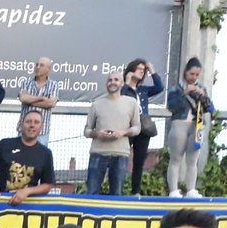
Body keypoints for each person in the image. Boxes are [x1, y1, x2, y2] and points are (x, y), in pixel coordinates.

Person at [84, 72, 140, 196]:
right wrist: (98, 134)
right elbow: (87, 131)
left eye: (116, 80)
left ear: (121, 83)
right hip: (98, 153)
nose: (112, 82)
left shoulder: (131, 103)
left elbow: (137, 128)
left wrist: (122, 133)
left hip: (120, 154)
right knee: (91, 193)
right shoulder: (97, 104)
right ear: (106, 83)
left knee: (117, 194)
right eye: (110, 80)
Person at [166, 58, 214, 198]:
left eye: (196, 75)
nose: (193, 77)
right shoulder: (176, 89)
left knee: (192, 160)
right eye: (191, 74)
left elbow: (210, 108)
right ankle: (173, 190)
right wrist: (185, 93)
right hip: (179, 124)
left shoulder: (202, 88)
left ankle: (191, 189)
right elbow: (172, 106)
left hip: (197, 125)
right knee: (176, 158)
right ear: (185, 72)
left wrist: (203, 97)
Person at [0, 110, 54, 205]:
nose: (32, 125)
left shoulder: (46, 154)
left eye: (36, 122)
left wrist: (27, 191)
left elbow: (48, 185)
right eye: (28, 121)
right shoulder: (5, 144)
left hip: (27, 207)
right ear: (21, 124)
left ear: (41, 127)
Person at [121, 59, 165, 195]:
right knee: (121, 158)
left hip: (143, 128)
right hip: (127, 127)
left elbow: (159, 88)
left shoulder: (143, 90)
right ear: (131, 70)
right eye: (139, 68)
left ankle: (135, 192)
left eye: (143, 69)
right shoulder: (125, 88)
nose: (141, 71)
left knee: (139, 162)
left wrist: (152, 71)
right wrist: (127, 83)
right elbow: (119, 98)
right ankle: (118, 190)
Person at [16, 57, 59, 142]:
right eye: (36, 65)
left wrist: (30, 100)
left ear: (48, 69)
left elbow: (51, 103)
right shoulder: (26, 83)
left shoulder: (53, 85)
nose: (38, 67)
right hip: (24, 130)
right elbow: (23, 98)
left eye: (41, 65)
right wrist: (42, 99)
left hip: (42, 133)